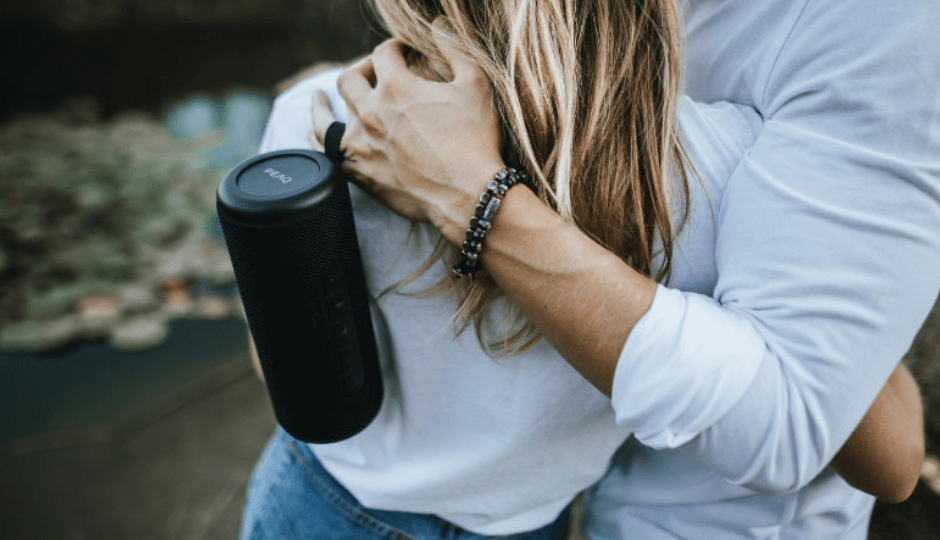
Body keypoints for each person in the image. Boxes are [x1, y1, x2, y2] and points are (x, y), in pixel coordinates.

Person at [241, 0, 937, 538]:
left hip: (322, 502)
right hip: (529, 522)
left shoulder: (315, 121)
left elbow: (279, 371)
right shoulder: (717, 175)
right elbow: (889, 449)